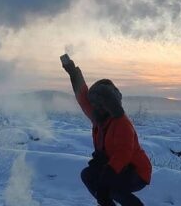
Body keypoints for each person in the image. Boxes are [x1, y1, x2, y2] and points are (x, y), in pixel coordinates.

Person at [61, 54, 152, 206]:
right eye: (94, 103)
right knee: (88, 176)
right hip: (118, 167)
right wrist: (73, 72)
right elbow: (83, 97)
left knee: (111, 188)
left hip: (137, 171)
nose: (95, 106)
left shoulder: (122, 123)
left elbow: (123, 154)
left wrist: (105, 180)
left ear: (109, 104)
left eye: (99, 103)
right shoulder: (98, 116)